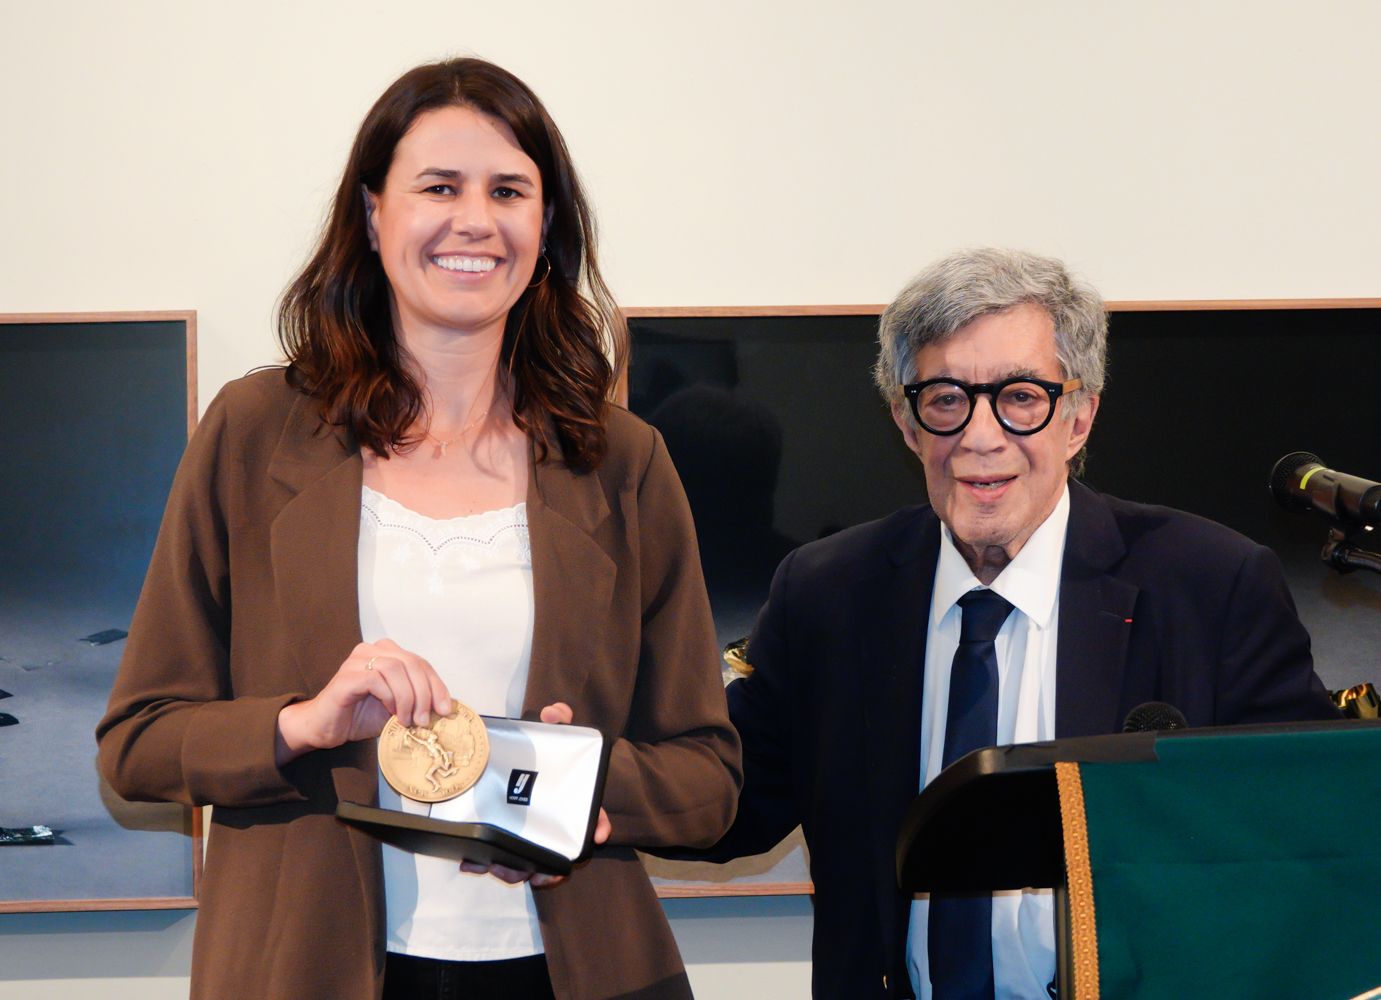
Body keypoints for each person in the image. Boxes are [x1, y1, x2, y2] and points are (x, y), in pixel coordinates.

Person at [96, 58, 740, 1000]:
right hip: (304, 967)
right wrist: (301, 724)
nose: (474, 220)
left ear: (545, 226)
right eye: (438, 187)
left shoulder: (621, 460)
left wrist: (575, 786)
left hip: (569, 971)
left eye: (508, 191)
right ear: (372, 214)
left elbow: (706, 779)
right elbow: (138, 744)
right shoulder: (251, 433)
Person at [708, 248, 1339, 998]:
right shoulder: (830, 593)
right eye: (946, 398)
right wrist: (591, 776)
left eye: (1020, 396)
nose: (981, 436)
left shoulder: (1211, 586)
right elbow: (724, 800)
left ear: (1079, 418)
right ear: (906, 424)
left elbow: (1304, 836)